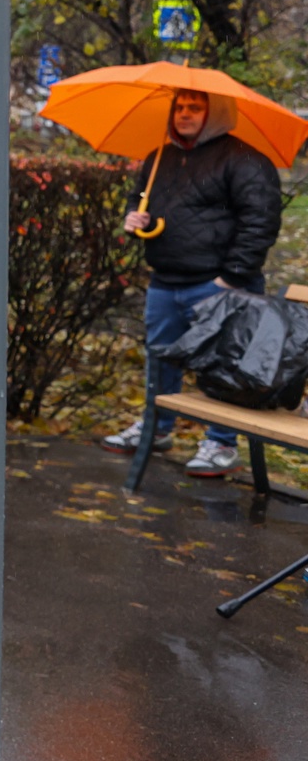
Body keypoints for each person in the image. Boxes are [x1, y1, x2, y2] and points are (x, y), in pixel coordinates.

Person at [99, 87, 285, 477]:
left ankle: (221, 442)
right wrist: (135, 220)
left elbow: (260, 221)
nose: (184, 113)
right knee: (160, 357)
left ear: (215, 111)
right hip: (166, 281)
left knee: (225, 366)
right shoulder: (159, 158)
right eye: (179, 106)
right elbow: (140, 200)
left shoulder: (244, 159)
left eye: (195, 107)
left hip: (221, 286)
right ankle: (156, 427)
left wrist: (230, 279)